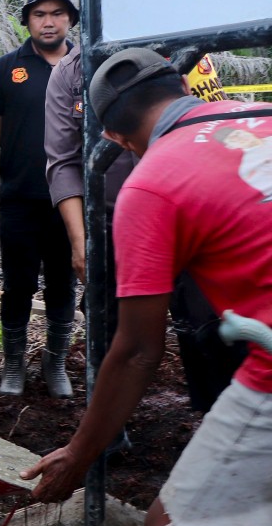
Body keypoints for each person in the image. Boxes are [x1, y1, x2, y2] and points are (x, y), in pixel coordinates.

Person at [23, 47, 272, 526]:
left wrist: (78, 455)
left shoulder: (151, 182)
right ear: (183, 88)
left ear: (114, 138)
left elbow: (138, 350)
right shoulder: (258, 116)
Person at [45, 47, 242, 414]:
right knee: (112, 323)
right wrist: (80, 240)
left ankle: (218, 412)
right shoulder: (69, 72)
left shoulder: (188, 53)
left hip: (188, 208)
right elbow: (62, 161)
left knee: (205, 319)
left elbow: (214, 125)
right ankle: (111, 421)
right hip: (111, 220)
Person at [0, 0, 78, 399]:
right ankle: (13, 365)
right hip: (19, 197)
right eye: (39, 14)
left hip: (71, 201)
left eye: (57, 14)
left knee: (63, 284)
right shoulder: (6, 69)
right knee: (17, 284)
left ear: (70, 19)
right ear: (27, 21)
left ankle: (56, 363)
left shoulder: (87, 66)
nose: (48, 22)